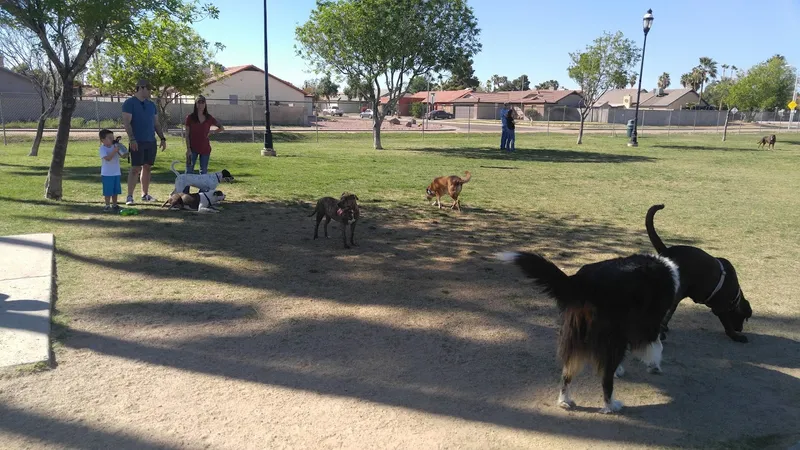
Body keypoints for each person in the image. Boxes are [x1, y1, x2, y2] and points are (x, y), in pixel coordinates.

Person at [122, 79, 167, 205]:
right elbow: (127, 123)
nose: (150, 92)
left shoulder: (151, 105)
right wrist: (132, 139)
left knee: (147, 167)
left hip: (150, 141)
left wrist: (162, 138)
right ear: (141, 88)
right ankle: (129, 196)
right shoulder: (129, 103)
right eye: (148, 89)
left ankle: (145, 194)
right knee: (135, 168)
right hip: (137, 141)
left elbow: (156, 123)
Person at [184, 95, 224, 177]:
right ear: (195, 104)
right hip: (192, 148)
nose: (201, 104)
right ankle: (185, 190)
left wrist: (212, 132)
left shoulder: (209, 118)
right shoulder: (190, 117)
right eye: (199, 102)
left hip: (205, 148)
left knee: (204, 172)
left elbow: (221, 128)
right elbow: (187, 134)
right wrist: (188, 149)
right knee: (189, 171)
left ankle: (202, 190)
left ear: (205, 104)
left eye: (203, 102)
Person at [98, 129, 122, 212]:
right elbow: (108, 158)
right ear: (103, 140)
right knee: (108, 191)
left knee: (115, 190)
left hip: (116, 172)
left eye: (113, 137)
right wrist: (114, 151)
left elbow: (123, 155)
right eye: (110, 138)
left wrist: (120, 148)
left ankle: (114, 204)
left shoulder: (114, 146)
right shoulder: (102, 149)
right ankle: (107, 205)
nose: (112, 139)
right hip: (107, 173)